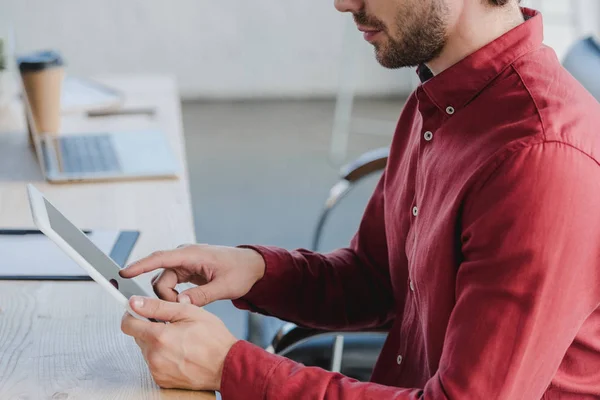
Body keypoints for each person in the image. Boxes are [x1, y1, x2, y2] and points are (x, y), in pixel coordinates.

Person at [120, 0, 600, 398]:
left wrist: (229, 369)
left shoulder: (539, 158)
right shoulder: (439, 99)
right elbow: (377, 279)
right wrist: (254, 271)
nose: (343, 3)